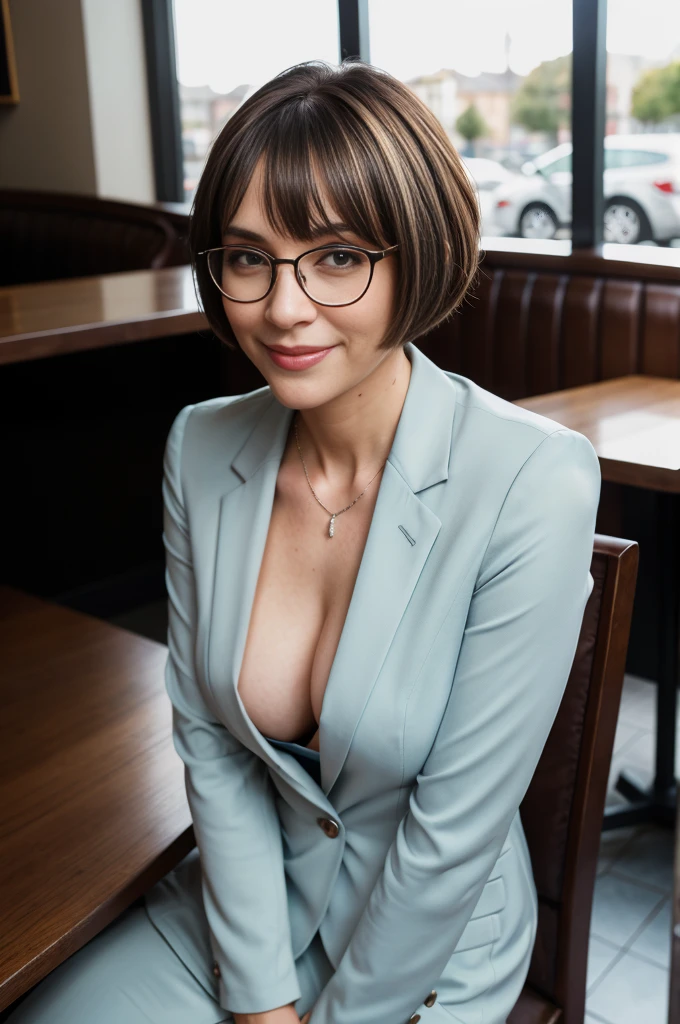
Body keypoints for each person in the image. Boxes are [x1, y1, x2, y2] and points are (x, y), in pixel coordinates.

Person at [6, 59, 601, 1024]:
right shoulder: (201, 446)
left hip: (431, 948)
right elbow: (213, 742)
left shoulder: (536, 480)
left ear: (419, 254)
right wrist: (260, 999)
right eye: (248, 258)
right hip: (249, 912)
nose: (284, 309)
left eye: (336, 256)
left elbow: (453, 835)